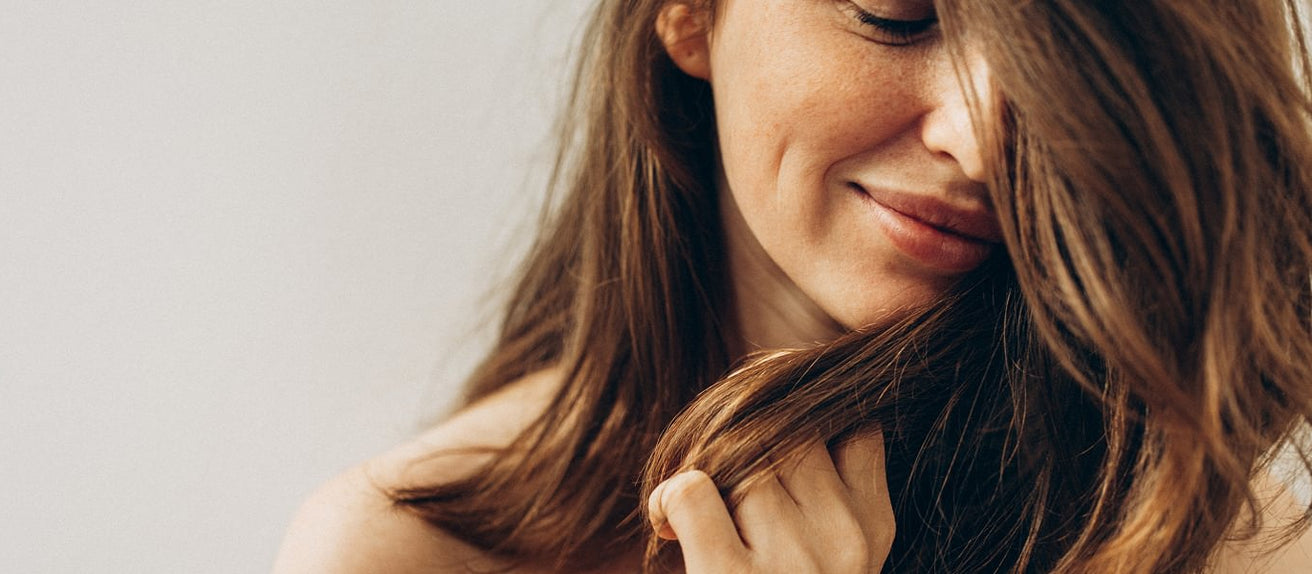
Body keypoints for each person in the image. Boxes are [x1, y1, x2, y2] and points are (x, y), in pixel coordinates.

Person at [272, 0, 1312, 572]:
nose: (979, 136)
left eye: (1056, 54)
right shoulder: (408, 554)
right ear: (687, 13)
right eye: (895, 13)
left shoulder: (1225, 549)